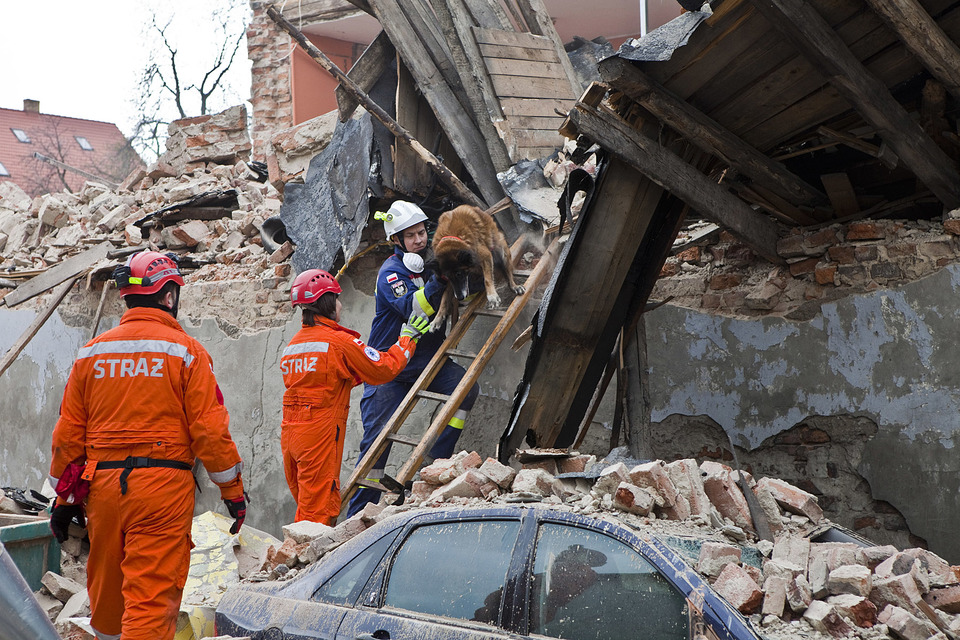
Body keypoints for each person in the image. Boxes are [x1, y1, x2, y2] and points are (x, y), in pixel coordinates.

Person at [48, 250, 247, 640]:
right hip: (162, 490)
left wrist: (64, 499)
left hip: (102, 491)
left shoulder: (92, 353)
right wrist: (233, 493)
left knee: (107, 600)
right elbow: (209, 431)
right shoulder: (187, 351)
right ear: (169, 296)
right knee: (151, 602)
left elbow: (68, 436)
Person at [346, 201, 480, 517]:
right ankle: (355, 516)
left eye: (422, 232)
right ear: (398, 241)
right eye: (411, 235)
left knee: (465, 388)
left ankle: (435, 465)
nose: (419, 240)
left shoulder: (431, 262)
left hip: (425, 360)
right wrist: (440, 278)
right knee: (376, 448)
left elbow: (466, 294)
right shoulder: (391, 273)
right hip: (388, 369)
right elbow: (413, 308)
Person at [280, 269, 429, 524]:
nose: (341, 305)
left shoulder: (294, 344)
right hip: (319, 434)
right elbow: (383, 369)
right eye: (337, 299)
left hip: (291, 435)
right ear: (327, 303)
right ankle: (311, 562)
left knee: (306, 507)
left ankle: (294, 559)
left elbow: (330, 378)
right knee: (318, 514)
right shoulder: (338, 342)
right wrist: (407, 339)